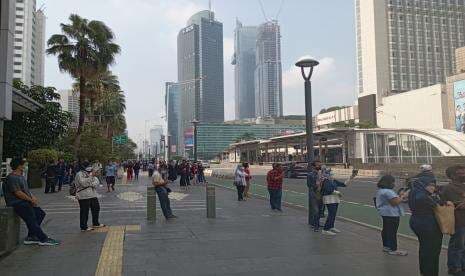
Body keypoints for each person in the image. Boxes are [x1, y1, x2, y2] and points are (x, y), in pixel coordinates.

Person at [2, 158, 60, 246]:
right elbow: (18, 193)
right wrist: (30, 200)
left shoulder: (20, 176)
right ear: (19, 166)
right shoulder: (12, 178)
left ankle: (31, 236)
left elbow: (26, 190)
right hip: (17, 203)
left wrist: (32, 197)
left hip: (25, 201)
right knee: (31, 219)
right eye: (24, 164)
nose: (25, 166)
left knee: (40, 214)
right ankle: (43, 238)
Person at [408, 168, 448, 276]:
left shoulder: (414, 191)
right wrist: (440, 199)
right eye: (431, 184)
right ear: (423, 183)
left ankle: (424, 271)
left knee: (424, 249)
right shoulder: (422, 196)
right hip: (428, 224)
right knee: (433, 251)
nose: (433, 187)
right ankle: (431, 272)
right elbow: (438, 205)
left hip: (417, 221)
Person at [374, 175, 408, 256]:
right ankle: (393, 249)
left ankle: (386, 246)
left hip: (385, 213)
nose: (394, 184)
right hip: (391, 214)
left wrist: (400, 198)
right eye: (393, 182)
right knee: (392, 231)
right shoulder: (388, 191)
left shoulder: (381, 190)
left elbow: (392, 200)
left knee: (386, 229)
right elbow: (394, 202)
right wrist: (403, 195)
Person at [316, 168, 355, 235]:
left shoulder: (333, 180)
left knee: (333, 214)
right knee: (331, 214)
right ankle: (325, 229)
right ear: (327, 174)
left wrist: (351, 177)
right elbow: (329, 190)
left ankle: (331, 226)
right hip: (329, 199)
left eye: (332, 173)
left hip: (335, 199)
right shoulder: (325, 181)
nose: (332, 174)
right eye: (330, 173)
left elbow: (344, 184)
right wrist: (337, 193)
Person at [441, 165, 465, 275]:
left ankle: (462, 265)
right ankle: (454, 267)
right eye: (460, 173)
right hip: (458, 221)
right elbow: (458, 205)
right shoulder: (450, 188)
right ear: (452, 176)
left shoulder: (462, 186)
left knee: (462, 245)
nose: (463, 175)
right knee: (457, 245)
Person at [75, 162, 106, 232]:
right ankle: (84, 227)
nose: (89, 168)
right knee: (84, 211)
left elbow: (97, 182)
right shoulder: (79, 174)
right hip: (83, 195)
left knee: (96, 208)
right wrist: (91, 178)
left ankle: (96, 223)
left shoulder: (91, 173)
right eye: (88, 166)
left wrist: (91, 182)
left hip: (93, 194)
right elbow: (83, 183)